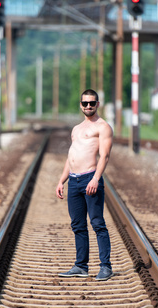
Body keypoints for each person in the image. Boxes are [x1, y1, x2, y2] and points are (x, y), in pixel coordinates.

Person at [56, 89, 113, 281]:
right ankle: (81, 266)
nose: (88, 106)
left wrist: (96, 178)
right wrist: (61, 180)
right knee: (78, 225)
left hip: (90, 178)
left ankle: (105, 266)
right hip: (73, 181)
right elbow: (70, 157)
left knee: (97, 223)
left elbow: (104, 155)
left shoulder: (103, 127)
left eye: (92, 103)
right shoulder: (76, 129)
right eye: (85, 103)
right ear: (80, 105)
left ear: (98, 104)